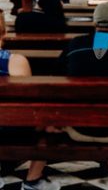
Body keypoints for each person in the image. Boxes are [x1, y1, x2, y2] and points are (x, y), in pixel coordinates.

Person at [0, 10, 59, 190]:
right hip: (12, 129)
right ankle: (33, 180)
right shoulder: (16, 62)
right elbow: (29, 104)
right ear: (4, 32)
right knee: (52, 118)